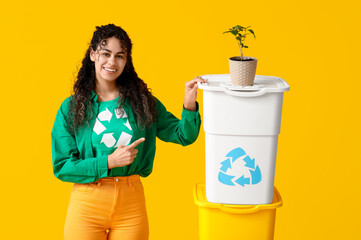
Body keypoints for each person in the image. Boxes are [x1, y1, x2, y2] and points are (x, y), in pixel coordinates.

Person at [51, 23, 207, 240]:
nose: (112, 62)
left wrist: (189, 104)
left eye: (120, 56)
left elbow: (184, 135)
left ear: (126, 60)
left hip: (130, 205)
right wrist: (109, 162)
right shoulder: (71, 108)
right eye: (106, 53)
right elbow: (62, 167)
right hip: (86, 206)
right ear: (93, 55)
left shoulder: (142, 102)